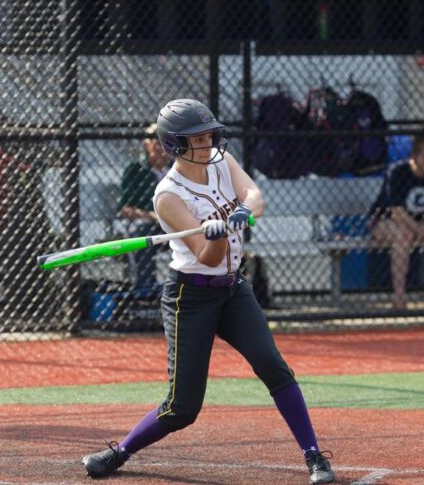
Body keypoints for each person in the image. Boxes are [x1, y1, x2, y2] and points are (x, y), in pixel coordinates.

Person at [82, 99, 335, 484]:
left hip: (234, 289)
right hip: (191, 298)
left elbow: (255, 197)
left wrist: (240, 214)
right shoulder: (167, 195)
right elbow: (207, 255)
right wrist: (213, 233)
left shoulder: (220, 163)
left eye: (207, 135)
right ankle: (122, 451)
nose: (206, 144)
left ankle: (315, 456)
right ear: (174, 145)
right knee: (182, 408)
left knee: (273, 366)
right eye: (196, 139)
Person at [368, 133, 424, 310]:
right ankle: (399, 298)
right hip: (385, 222)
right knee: (404, 234)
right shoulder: (398, 172)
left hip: (419, 223)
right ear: (414, 155)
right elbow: (396, 213)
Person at [117, 123, 170, 288]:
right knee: (142, 234)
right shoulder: (136, 170)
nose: (162, 148)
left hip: (178, 224)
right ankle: (145, 290)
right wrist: (153, 217)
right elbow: (125, 209)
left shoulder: (178, 170)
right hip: (150, 225)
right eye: (157, 143)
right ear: (146, 145)